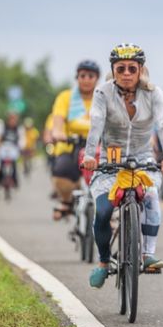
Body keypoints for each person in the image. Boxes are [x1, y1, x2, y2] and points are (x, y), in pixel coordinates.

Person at [82, 43, 163, 288]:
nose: (126, 73)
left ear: (140, 70)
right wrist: (91, 156)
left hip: (142, 159)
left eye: (131, 68)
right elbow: (96, 124)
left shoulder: (154, 93)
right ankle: (104, 262)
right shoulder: (103, 92)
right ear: (113, 70)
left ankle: (147, 255)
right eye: (120, 68)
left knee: (151, 196)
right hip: (109, 162)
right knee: (103, 212)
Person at [50, 60, 100, 220]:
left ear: (97, 79)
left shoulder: (104, 97)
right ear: (77, 77)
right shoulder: (66, 97)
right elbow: (58, 119)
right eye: (82, 75)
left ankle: (109, 214)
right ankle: (66, 201)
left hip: (99, 144)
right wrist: (58, 132)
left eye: (91, 76)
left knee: (111, 174)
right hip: (72, 144)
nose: (86, 79)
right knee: (62, 171)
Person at [0, 111, 25, 199]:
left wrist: (20, 147)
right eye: (11, 119)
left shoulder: (18, 129)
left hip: (13, 149)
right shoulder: (3, 128)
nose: (13, 121)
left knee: (14, 166)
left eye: (14, 119)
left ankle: (15, 181)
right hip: (4, 148)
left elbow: (21, 140)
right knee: (1, 166)